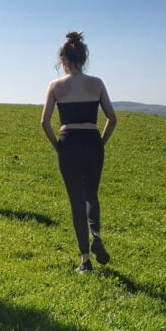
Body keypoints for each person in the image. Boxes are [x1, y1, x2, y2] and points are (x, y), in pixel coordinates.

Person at [40, 31, 117, 273]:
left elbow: (44, 122)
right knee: (91, 195)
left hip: (69, 142)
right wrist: (100, 142)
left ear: (62, 60)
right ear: (84, 59)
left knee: (76, 200)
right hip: (93, 141)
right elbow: (112, 118)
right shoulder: (97, 83)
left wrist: (58, 145)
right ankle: (96, 235)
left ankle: (85, 261)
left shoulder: (56, 86)